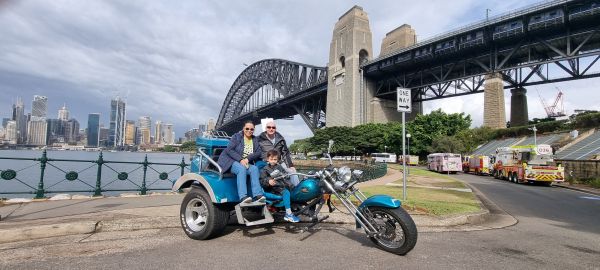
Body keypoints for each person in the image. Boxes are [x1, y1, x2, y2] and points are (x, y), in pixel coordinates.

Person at [217, 120, 264, 204]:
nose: (249, 130)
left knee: (254, 169)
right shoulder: (237, 137)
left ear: (254, 130)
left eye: (251, 129)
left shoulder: (255, 139)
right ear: (243, 128)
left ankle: (257, 195)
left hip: (245, 162)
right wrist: (240, 159)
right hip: (230, 160)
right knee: (241, 169)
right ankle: (243, 197)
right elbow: (229, 150)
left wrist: (248, 159)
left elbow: (258, 152)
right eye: (247, 128)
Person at [260, 149, 300, 223]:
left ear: (277, 160)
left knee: (293, 190)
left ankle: (294, 206)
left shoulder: (280, 167)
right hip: (273, 189)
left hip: (281, 187)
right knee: (286, 192)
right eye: (271, 159)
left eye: (275, 159)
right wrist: (268, 181)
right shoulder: (264, 170)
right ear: (267, 159)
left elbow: (287, 176)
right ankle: (288, 213)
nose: (273, 161)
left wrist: (284, 175)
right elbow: (262, 181)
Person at [258, 120, 299, 186]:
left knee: (292, 172)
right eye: (269, 127)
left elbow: (285, 153)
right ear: (266, 128)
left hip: (279, 162)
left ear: (275, 129)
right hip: (266, 162)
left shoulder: (280, 139)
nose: (271, 129)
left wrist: (290, 166)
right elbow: (256, 152)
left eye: (273, 127)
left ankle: (296, 189)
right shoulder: (259, 139)